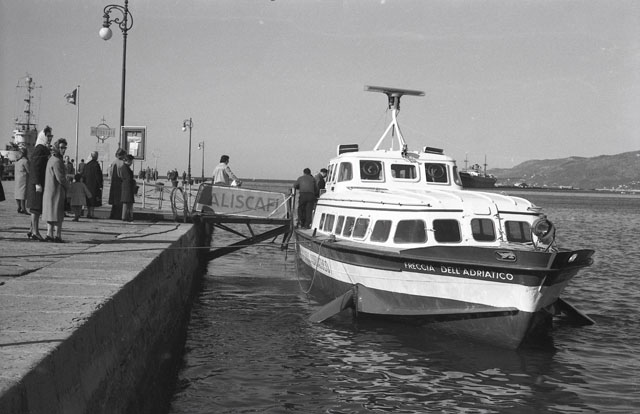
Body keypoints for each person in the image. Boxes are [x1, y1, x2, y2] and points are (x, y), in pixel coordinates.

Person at [26, 126, 53, 241]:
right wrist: (37, 183)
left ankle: (31, 229)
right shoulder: (40, 149)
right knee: (35, 208)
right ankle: (35, 231)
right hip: (37, 184)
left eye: (51, 136)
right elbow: (35, 167)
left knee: (36, 208)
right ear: (43, 136)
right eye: (48, 136)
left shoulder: (43, 148)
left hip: (38, 182)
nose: (50, 138)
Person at [42, 138, 70, 242]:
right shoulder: (57, 161)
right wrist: (68, 186)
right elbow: (61, 178)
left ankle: (49, 234)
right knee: (58, 214)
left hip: (50, 191)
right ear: (57, 148)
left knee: (51, 214)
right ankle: (57, 235)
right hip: (56, 191)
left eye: (65, 147)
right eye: (61, 147)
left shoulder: (51, 159)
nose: (64, 150)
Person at [82, 151, 103, 219]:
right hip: (94, 185)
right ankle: (92, 213)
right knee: (93, 200)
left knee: (88, 199)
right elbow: (98, 176)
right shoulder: (96, 165)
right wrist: (100, 185)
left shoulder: (87, 164)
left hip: (87, 185)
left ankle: (88, 213)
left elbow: (83, 175)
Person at [108, 148, 126, 219]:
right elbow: (122, 174)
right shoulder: (122, 163)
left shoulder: (114, 162)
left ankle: (113, 215)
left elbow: (110, 172)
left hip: (113, 182)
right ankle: (118, 215)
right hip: (120, 183)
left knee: (114, 202)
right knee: (120, 200)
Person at [14, 147, 30, 214]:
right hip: (23, 179)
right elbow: (29, 170)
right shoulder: (25, 161)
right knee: (23, 194)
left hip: (17, 179)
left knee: (17, 193)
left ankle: (19, 206)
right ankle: (23, 209)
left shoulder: (17, 161)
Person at [120, 154, 136, 222]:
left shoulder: (124, 167)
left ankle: (126, 216)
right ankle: (126, 216)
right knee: (127, 202)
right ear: (128, 161)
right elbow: (128, 178)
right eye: (131, 161)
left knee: (127, 202)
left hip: (126, 187)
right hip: (127, 187)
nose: (132, 163)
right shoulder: (125, 168)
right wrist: (133, 182)